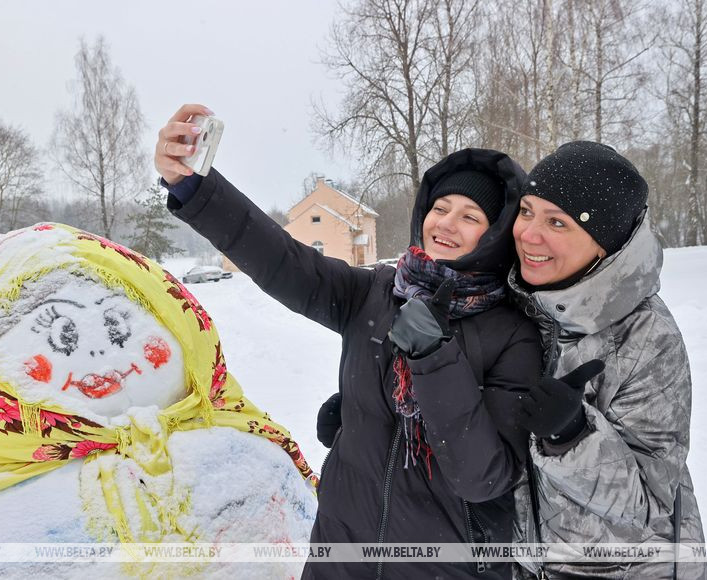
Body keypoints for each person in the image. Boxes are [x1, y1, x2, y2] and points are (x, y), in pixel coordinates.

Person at [156, 104, 542, 579]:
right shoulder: (376, 292)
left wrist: (433, 357)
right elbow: (283, 259)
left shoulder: (514, 334)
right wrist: (193, 186)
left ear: (496, 234)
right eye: (440, 208)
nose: (445, 223)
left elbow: (482, 477)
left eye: (470, 216)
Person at [509, 141, 706, 579]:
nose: (529, 234)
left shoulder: (647, 336)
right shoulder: (522, 304)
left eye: (557, 222)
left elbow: (648, 504)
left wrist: (572, 436)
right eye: (526, 211)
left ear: (603, 245)